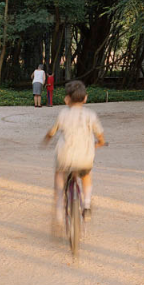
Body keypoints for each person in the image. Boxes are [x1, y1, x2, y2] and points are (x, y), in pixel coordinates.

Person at [43, 80, 105, 230]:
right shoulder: (90, 115)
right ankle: (87, 204)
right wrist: (99, 144)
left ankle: (58, 211)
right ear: (85, 98)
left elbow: (51, 133)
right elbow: (100, 137)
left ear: (67, 99)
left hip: (65, 156)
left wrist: (45, 141)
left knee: (59, 177)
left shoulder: (63, 113)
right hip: (85, 157)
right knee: (86, 176)